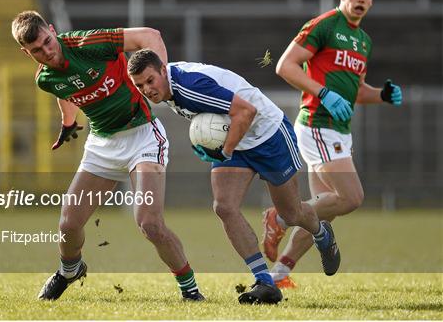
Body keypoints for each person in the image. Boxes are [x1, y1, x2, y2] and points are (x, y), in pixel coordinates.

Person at [11, 11, 204, 301]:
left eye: (48, 41)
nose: (47, 51)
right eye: (37, 50)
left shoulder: (89, 43)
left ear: (52, 31)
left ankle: (189, 290)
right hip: (102, 144)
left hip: (142, 135)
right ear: (26, 53)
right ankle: (69, 271)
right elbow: (65, 90)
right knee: (68, 225)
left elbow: (150, 36)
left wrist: (166, 83)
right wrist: (67, 121)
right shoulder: (45, 79)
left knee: (149, 223)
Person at [127, 49, 341, 305]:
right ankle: (264, 282)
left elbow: (246, 112)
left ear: (163, 70)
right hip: (238, 138)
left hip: (269, 135)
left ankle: (321, 233)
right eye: (140, 85)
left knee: (292, 213)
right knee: (224, 207)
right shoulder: (167, 88)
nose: (147, 89)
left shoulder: (190, 85)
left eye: (150, 80)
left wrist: (224, 151)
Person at [262, 0, 403, 289]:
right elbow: (285, 65)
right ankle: (280, 216)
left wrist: (380, 95)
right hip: (318, 124)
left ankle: (278, 275)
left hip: (338, 130)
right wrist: (323, 92)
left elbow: (356, 91)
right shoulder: (325, 25)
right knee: (351, 198)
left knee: (324, 212)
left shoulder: (363, 41)